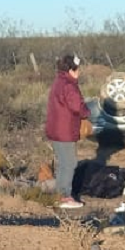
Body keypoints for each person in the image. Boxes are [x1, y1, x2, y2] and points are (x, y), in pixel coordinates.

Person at [44, 53, 90, 209]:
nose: (79, 72)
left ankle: (60, 195)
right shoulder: (69, 85)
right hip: (64, 130)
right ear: (71, 69)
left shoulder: (59, 81)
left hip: (56, 129)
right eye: (77, 69)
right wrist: (87, 113)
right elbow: (77, 107)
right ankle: (64, 197)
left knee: (64, 163)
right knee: (69, 163)